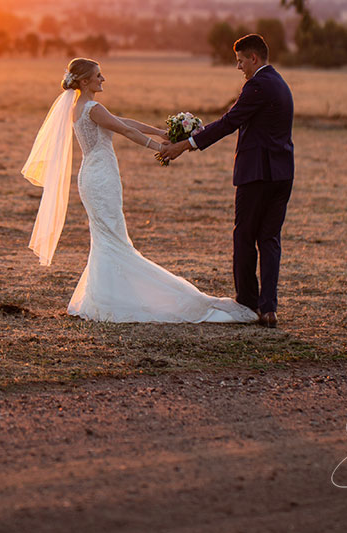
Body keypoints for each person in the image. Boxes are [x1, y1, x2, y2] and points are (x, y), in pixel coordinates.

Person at [22, 58, 258, 323]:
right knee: (111, 238)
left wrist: (160, 132)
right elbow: (123, 130)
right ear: (85, 81)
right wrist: (160, 149)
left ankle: (105, 295)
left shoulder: (82, 107)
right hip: (100, 178)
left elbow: (125, 121)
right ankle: (116, 297)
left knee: (107, 237)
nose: (103, 79)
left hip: (94, 176)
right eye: (98, 75)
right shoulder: (92, 108)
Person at [158, 34, 294, 328]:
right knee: (269, 240)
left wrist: (185, 145)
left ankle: (247, 301)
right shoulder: (281, 84)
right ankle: (268, 308)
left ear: (253, 58)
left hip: (257, 175)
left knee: (244, 237)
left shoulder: (256, 85)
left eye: (240, 61)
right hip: (282, 175)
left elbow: (230, 122)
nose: (239, 67)